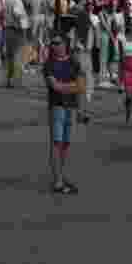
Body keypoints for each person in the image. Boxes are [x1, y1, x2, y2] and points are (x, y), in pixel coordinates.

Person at [44, 34, 85, 195]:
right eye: (52, 43)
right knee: (56, 143)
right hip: (57, 107)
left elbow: (81, 87)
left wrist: (80, 108)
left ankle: (62, 176)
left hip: (72, 108)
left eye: (58, 43)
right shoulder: (49, 64)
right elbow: (55, 87)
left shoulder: (74, 62)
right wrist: (72, 86)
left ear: (65, 44)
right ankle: (58, 181)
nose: (55, 46)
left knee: (66, 144)